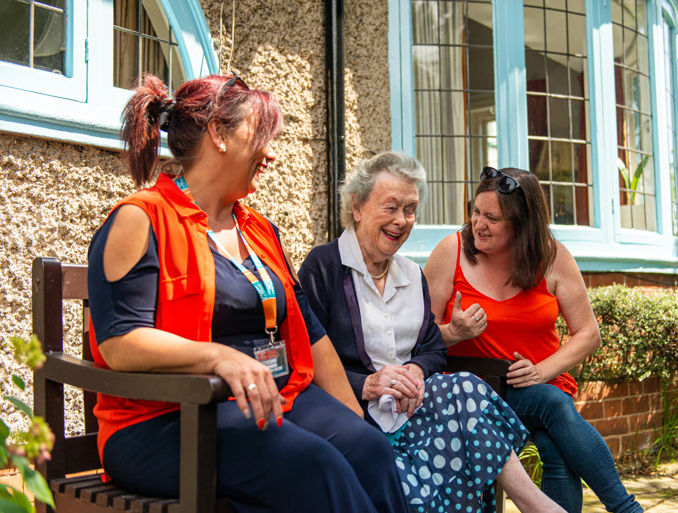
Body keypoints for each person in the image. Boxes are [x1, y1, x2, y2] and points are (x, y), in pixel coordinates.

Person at [86, 73, 410, 513]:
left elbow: (309, 331)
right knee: (314, 466)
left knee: (369, 453)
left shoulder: (258, 230)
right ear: (219, 133)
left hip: (273, 400)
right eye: (261, 135)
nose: (271, 153)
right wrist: (219, 357)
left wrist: (352, 423)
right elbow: (120, 342)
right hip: (169, 419)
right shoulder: (140, 219)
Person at [298, 152, 565, 513]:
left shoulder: (410, 274)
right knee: (446, 454)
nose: (401, 221)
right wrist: (368, 384)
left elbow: (432, 347)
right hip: (355, 416)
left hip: (411, 409)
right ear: (357, 207)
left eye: (410, 210)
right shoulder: (324, 266)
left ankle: (533, 503)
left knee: (465, 387)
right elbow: (305, 355)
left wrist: (417, 370)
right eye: (391, 207)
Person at [424, 166, 644, 513]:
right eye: (476, 212)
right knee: (554, 406)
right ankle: (626, 508)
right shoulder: (450, 252)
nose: (478, 225)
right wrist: (455, 332)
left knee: (556, 443)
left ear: (522, 225)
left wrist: (541, 372)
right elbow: (419, 335)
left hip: (542, 383)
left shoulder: (552, 257)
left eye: (492, 219)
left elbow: (588, 333)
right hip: (476, 393)